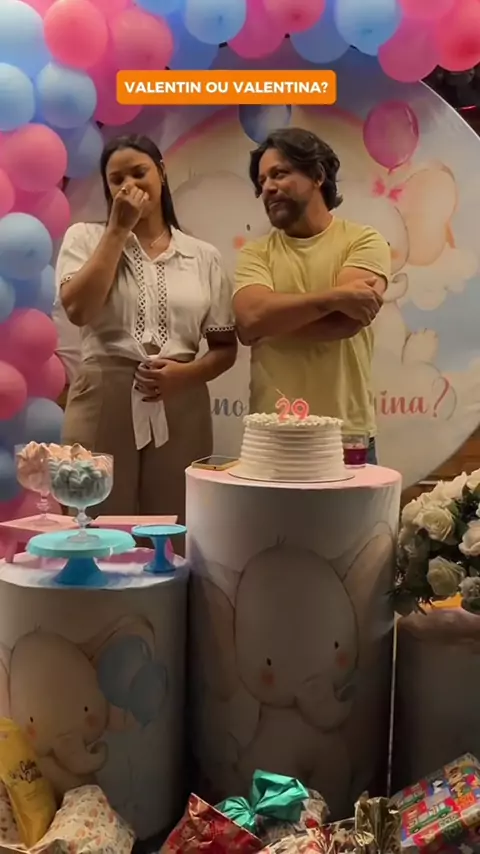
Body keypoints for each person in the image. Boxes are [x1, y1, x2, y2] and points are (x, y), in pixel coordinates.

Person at [54, 134, 237, 520]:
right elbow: (79, 310)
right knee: (94, 518)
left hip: (181, 397)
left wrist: (186, 375)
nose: (129, 186)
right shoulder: (84, 237)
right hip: (103, 393)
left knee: (177, 519)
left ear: (161, 174)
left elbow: (225, 348)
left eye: (139, 173)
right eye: (116, 179)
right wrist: (117, 230)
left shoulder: (202, 256)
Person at [233, 127, 390, 464]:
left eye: (279, 174)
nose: (268, 187)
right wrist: (334, 297)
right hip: (271, 434)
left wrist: (270, 323)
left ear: (318, 175)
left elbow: (344, 322)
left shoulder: (363, 241)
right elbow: (248, 318)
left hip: (346, 437)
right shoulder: (256, 253)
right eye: (262, 181)